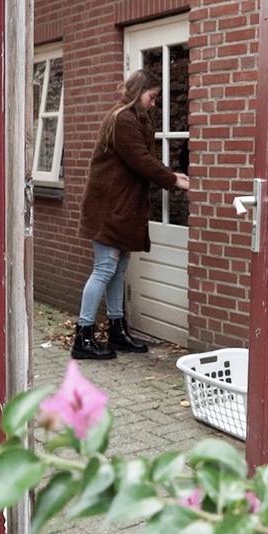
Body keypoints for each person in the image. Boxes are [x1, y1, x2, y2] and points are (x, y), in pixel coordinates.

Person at [73, 69, 189, 360]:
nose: (153, 103)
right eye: (151, 97)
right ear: (139, 93)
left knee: (118, 269)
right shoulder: (123, 119)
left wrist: (169, 173)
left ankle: (117, 330)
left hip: (120, 208)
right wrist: (172, 180)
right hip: (108, 208)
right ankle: (83, 337)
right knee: (104, 269)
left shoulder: (134, 118)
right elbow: (140, 160)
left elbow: (144, 157)